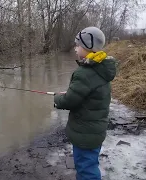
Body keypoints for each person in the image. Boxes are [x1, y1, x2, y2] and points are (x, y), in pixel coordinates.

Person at [53, 27, 117, 180]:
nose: (75, 49)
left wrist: (57, 99)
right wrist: (72, 93)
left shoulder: (85, 73)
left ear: (87, 47)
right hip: (95, 131)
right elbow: (87, 95)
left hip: (85, 134)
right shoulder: (101, 68)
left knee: (86, 170)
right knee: (90, 164)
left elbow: (69, 101)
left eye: (77, 45)